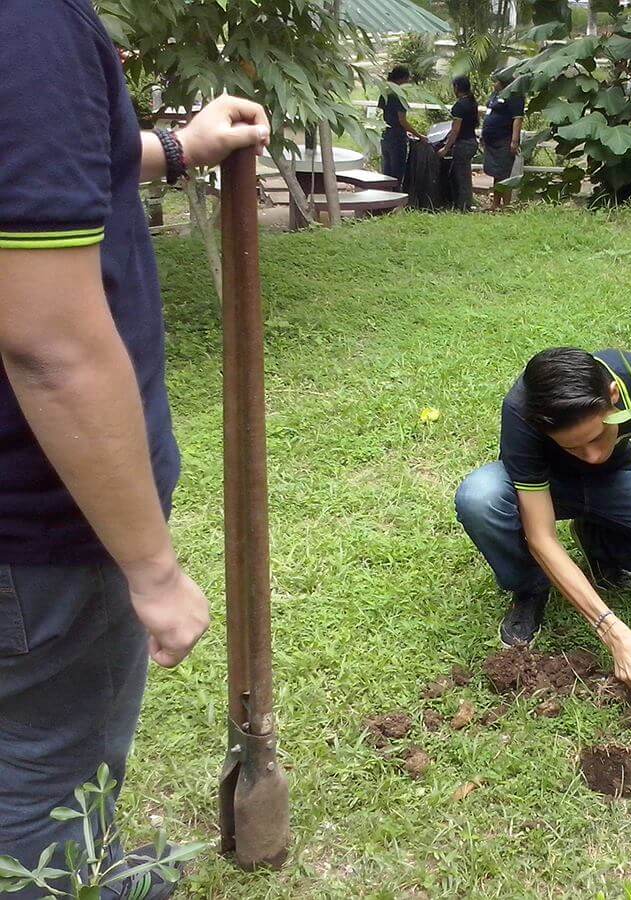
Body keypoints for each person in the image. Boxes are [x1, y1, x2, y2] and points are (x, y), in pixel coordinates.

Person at [0, 2, 270, 896]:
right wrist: (153, 570)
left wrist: (176, 147)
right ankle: (66, 875)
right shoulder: (28, 21)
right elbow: (50, 345)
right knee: (47, 770)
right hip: (36, 527)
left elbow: (44, 172)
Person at [455, 348, 631, 696]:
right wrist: (613, 631)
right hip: (547, 489)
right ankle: (530, 587)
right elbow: (541, 535)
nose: (592, 455)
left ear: (613, 395)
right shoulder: (523, 411)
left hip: (616, 481)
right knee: (480, 496)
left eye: (596, 437)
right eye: (574, 447)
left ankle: (600, 540)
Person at [481, 71, 525, 210]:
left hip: (504, 139)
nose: (494, 84)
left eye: (497, 82)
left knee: (504, 172)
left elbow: (517, 118)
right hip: (491, 140)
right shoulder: (496, 95)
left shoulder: (515, 96)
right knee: (496, 172)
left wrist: (514, 140)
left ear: (504, 83)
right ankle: (495, 203)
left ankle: (506, 205)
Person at [437, 75, 480, 211]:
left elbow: (455, 130)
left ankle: (462, 206)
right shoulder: (472, 103)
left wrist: (446, 147)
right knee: (464, 173)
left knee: (460, 176)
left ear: (456, 88)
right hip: (472, 140)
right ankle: (464, 203)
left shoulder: (459, 106)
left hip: (463, 143)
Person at [378, 65, 425, 185]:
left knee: (387, 173)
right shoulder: (399, 96)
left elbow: (382, 113)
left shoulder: (385, 92)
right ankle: (396, 200)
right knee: (397, 174)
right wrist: (419, 135)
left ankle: (386, 199)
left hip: (385, 135)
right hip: (397, 138)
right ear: (402, 79)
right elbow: (402, 120)